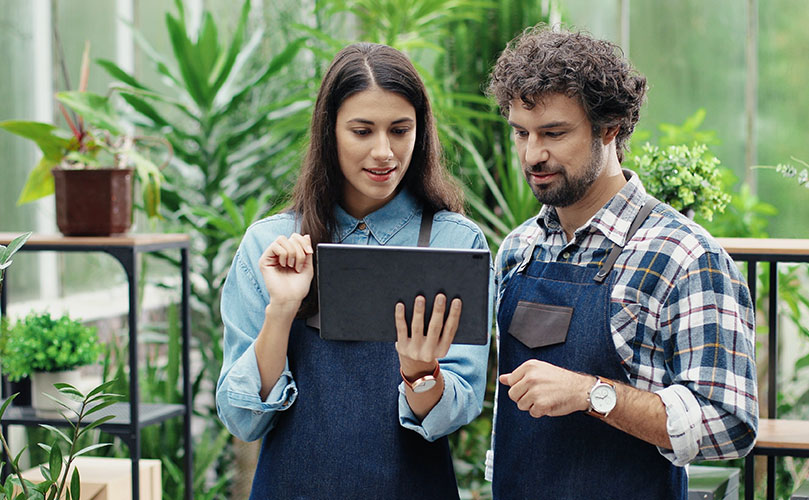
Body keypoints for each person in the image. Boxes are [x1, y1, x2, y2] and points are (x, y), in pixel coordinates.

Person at [483, 25, 758, 499]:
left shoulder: (683, 255)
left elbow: (729, 423)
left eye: (554, 133)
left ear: (610, 128)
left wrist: (592, 394)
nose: (533, 154)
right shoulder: (518, 249)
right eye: (521, 133)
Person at [216, 42, 491, 499]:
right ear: (330, 132)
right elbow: (243, 418)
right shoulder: (270, 245)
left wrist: (421, 372)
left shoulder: (456, 243)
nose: (384, 152)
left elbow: (456, 411)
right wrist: (282, 309)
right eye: (362, 131)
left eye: (400, 130)